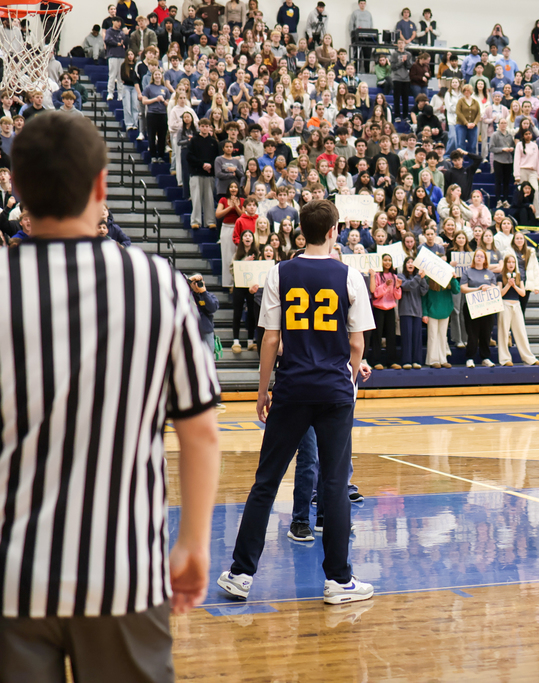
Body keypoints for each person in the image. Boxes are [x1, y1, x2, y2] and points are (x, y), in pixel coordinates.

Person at [0, 112, 220, 680]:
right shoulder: (158, 285)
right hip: (124, 573)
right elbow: (199, 428)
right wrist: (193, 543)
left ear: (17, 188)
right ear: (101, 187)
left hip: (11, 578)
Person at [218, 199, 376, 605]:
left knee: (266, 481)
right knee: (336, 484)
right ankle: (339, 581)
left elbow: (270, 338)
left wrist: (262, 390)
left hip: (290, 387)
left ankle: (240, 574)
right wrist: (350, 381)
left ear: (301, 231)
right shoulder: (348, 276)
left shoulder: (280, 271)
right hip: (333, 391)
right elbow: (357, 342)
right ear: (333, 230)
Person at [497, 254, 539, 366]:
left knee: (521, 331)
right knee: (503, 332)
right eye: (508, 262)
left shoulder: (518, 276)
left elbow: (523, 293)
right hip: (505, 304)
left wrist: (514, 285)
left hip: (516, 305)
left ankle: (529, 358)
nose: (511, 264)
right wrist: (508, 284)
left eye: (513, 262)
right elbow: (500, 294)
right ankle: (505, 359)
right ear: (505, 263)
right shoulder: (500, 276)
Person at [461, 248, 498, 367]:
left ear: (485, 259)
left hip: (487, 307)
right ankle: (470, 358)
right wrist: (478, 289)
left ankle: (485, 358)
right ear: (474, 258)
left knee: (486, 333)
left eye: (482, 256)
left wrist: (488, 288)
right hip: (472, 306)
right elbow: (463, 288)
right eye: (477, 256)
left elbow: (494, 289)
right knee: (472, 333)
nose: (479, 258)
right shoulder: (467, 272)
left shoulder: (490, 273)